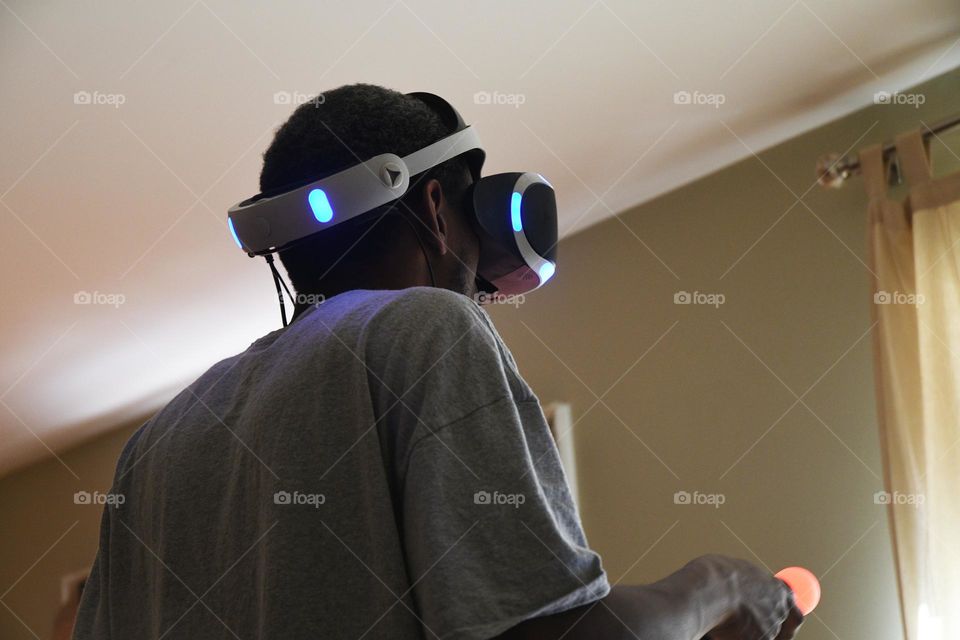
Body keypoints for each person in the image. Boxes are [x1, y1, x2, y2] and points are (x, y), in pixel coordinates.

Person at [72, 83, 802, 640]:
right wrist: (720, 585)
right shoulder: (427, 327)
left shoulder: (156, 445)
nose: (480, 286)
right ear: (433, 205)